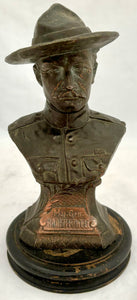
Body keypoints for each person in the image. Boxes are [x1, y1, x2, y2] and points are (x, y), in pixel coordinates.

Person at [5, 4, 126, 249]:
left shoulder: (113, 129)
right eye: (54, 69)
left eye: (80, 68)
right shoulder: (21, 132)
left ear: (94, 72)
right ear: (38, 75)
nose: (69, 82)